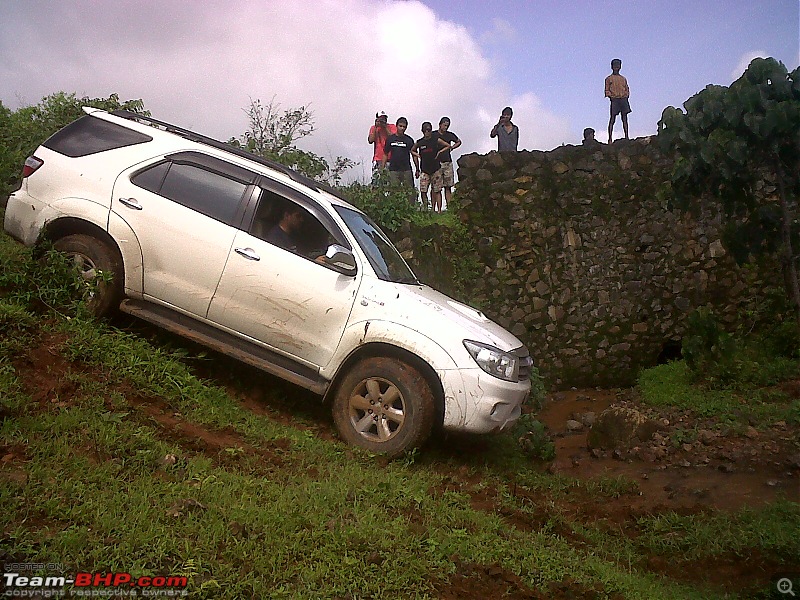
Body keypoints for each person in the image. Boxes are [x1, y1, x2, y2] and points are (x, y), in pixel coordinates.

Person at [411, 121, 450, 212]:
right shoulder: (420, 142)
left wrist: (440, 152)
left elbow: (447, 145)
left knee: (437, 190)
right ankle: (426, 208)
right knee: (423, 190)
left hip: (436, 169)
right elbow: (412, 150)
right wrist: (417, 155)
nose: (427, 132)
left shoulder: (436, 139)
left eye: (429, 130)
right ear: (422, 131)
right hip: (424, 169)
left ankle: (439, 210)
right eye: (425, 130)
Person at [382, 117, 418, 195]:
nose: (402, 128)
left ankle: (410, 207)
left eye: (404, 127)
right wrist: (382, 168)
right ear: (396, 126)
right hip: (393, 170)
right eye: (400, 126)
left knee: (409, 192)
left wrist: (417, 169)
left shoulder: (409, 140)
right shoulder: (390, 139)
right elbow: (385, 153)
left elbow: (414, 155)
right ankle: (395, 207)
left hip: (406, 169)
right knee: (394, 192)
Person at [435, 117, 461, 209]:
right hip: (436, 163)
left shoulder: (450, 135)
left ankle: (449, 207)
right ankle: (437, 209)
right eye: (444, 125)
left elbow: (458, 142)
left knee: (448, 186)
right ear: (440, 124)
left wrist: (452, 147)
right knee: (437, 187)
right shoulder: (434, 135)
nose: (446, 127)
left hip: (447, 162)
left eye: (447, 126)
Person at [605, 58, 631, 143]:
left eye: (618, 66)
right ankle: (610, 138)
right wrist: (611, 97)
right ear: (612, 67)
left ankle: (627, 136)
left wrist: (626, 96)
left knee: (625, 118)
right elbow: (607, 90)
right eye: (615, 66)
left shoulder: (623, 79)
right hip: (615, 100)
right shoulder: (609, 78)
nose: (617, 68)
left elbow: (627, 88)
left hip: (623, 99)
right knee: (612, 119)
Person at [367, 111, 396, 176]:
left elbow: (393, 138)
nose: (383, 120)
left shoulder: (392, 126)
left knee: (390, 180)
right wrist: (376, 127)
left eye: (384, 118)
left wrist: (385, 127)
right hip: (378, 158)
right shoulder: (373, 128)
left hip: (390, 158)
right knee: (377, 180)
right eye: (381, 119)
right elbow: (370, 140)